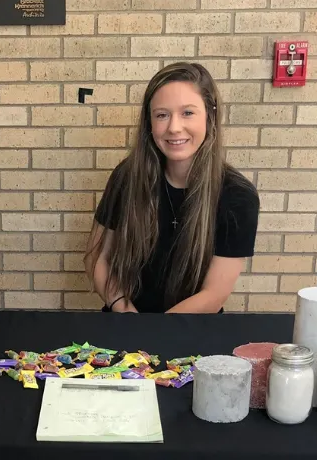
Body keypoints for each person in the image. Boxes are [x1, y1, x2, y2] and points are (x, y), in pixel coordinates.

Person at [85, 62, 260, 314]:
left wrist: (157, 334)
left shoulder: (238, 196)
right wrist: (127, 315)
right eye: (162, 115)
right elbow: (98, 258)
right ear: (150, 122)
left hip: (194, 328)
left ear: (210, 115)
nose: (174, 127)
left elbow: (215, 294)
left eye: (188, 113)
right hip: (125, 321)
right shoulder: (127, 176)